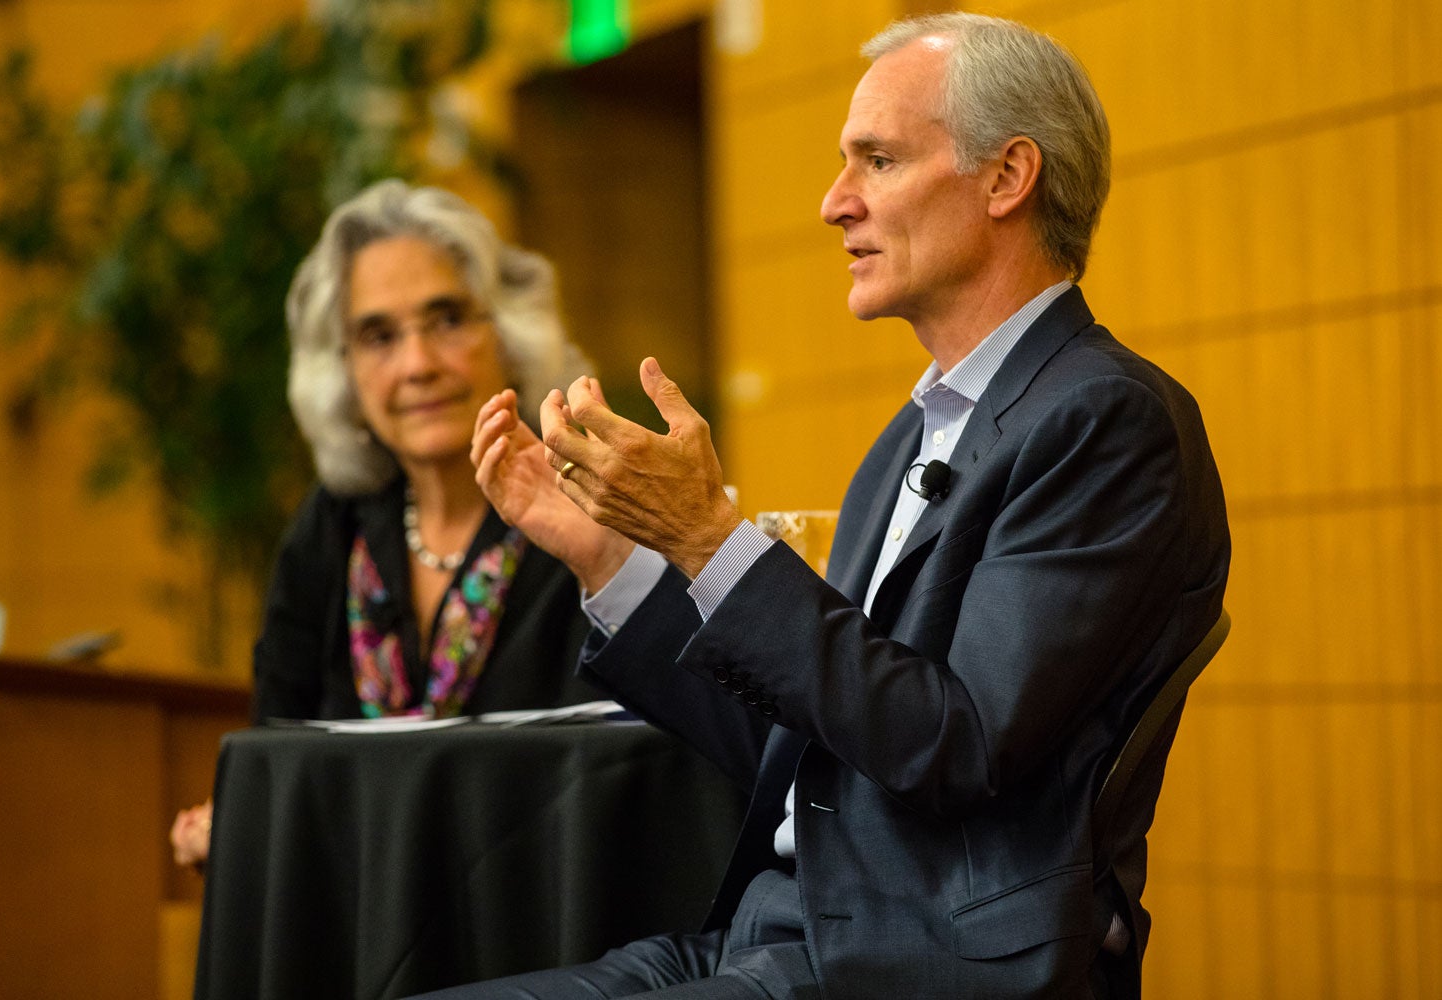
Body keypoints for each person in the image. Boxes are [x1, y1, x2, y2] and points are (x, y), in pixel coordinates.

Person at [448, 11, 1230, 1000]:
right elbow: (801, 741)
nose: (833, 203)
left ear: (1007, 177)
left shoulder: (1108, 421)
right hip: (775, 930)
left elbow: (957, 743)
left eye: (878, 160)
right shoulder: (905, 440)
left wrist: (708, 536)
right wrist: (611, 558)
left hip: (911, 964)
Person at [169, 179, 600, 868]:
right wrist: (241, 821)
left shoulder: (586, 504)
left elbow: (617, 772)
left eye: (449, 319)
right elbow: (277, 747)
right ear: (339, 371)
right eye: (378, 336)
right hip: (354, 894)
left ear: (512, 333)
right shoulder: (329, 527)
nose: (418, 365)